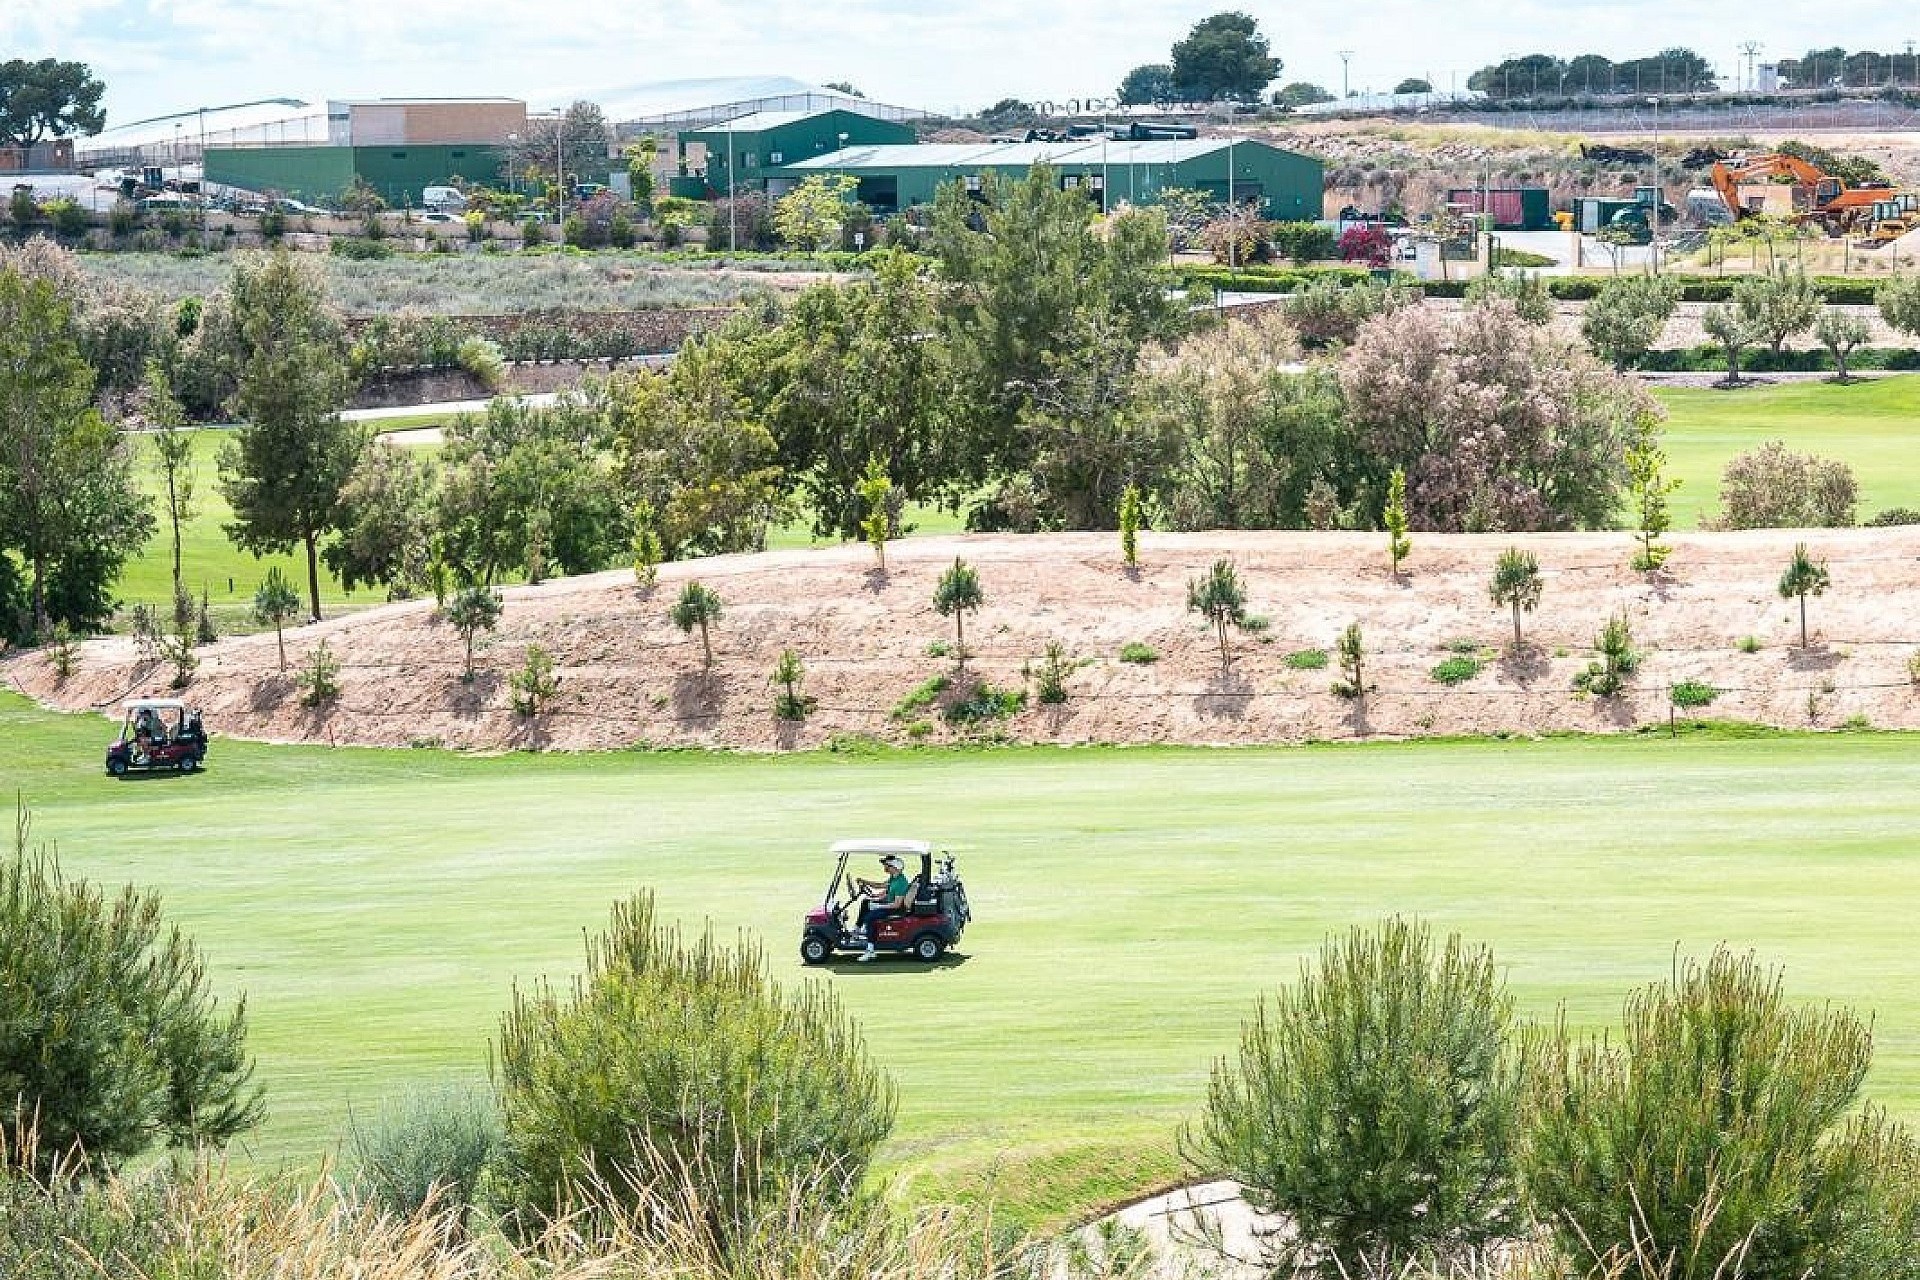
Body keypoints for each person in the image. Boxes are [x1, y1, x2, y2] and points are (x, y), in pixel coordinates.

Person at [852, 854, 913, 961]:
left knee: (870, 917)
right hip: (890, 905)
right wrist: (865, 882)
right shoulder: (894, 878)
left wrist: (878, 906)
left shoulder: (901, 883)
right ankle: (857, 930)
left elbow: (897, 904)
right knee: (866, 902)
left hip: (896, 909)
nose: (885, 867)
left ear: (894, 868)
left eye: (887, 865)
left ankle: (870, 950)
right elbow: (880, 886)